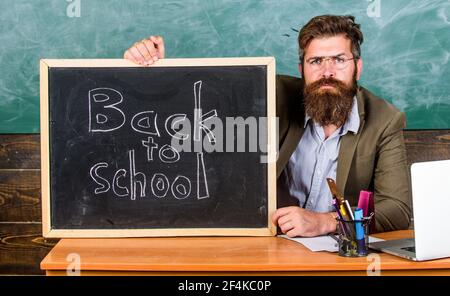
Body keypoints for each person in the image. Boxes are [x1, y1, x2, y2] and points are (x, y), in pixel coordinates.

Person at [123, 15, 412, 237]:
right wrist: (154, 72)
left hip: (337, 251)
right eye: (316, 61)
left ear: (357, 67)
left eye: (338, 60)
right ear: (302, 69)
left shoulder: (385, 120)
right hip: (268, 241)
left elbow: (397, 210)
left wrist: (325, 222)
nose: (327, 72)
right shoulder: (270, 93)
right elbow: (194, 114)